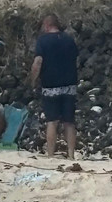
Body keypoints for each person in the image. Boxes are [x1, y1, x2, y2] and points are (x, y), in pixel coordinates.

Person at [29, 14, 79, 159]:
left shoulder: (43, 41)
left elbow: (37, 63)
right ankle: (71, 155)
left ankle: (50, 155)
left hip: (50, 86)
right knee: (69, 122)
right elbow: (75, 60)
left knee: (52, 121)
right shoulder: (69, 40)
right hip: (69, 85)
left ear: (46, 25)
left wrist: (33, 81)